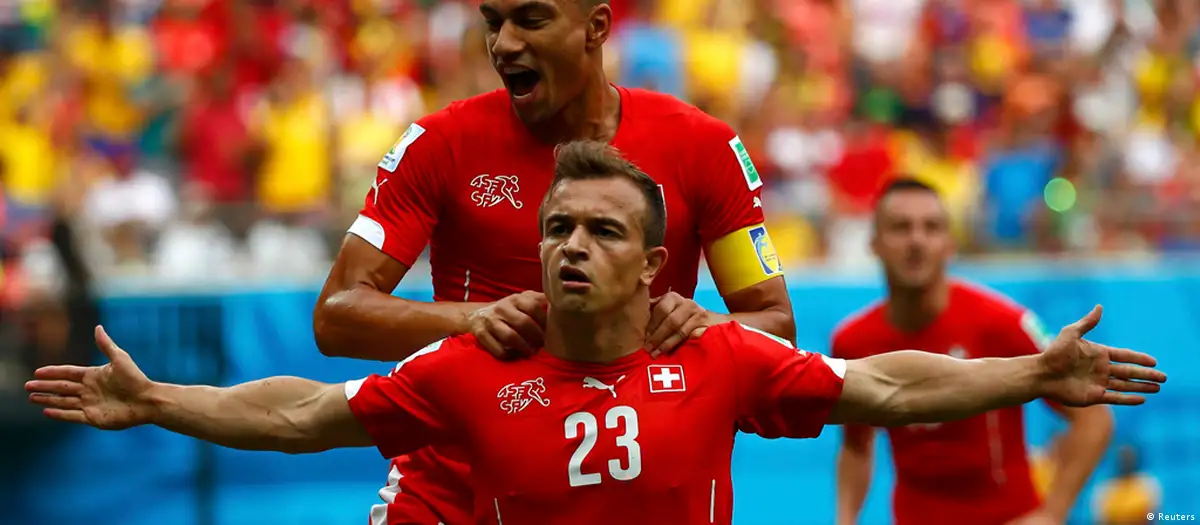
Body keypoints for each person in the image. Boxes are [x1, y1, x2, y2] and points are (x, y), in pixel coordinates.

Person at [27, 143, 1167, 525]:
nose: (569, 244)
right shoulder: (470, 365)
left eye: (601, 229)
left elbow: (886, 388)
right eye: (555, 226)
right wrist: (158, 401)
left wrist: (1034, 373)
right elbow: (305, 413)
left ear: (653, 262)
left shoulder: (716, 356)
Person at [312, 0, 794, 523]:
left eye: (531, 20)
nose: (503, 44)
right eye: (493, 23)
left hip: (631, 499)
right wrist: (477, 321)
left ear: (597, 27)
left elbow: (775, 325)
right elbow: (337, 315)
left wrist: (702, 327)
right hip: (449, 499)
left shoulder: (704, 147)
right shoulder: (439, 145)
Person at [832, 179, 1118, 525]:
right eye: (901, 227)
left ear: (949, 244)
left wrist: (1052, 514)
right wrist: (845, 519)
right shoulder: (854, 341)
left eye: (931, 227)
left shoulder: (1001, 322)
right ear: (874, 243)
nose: (916, 241)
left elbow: (1094, 418)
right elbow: (856, 446)